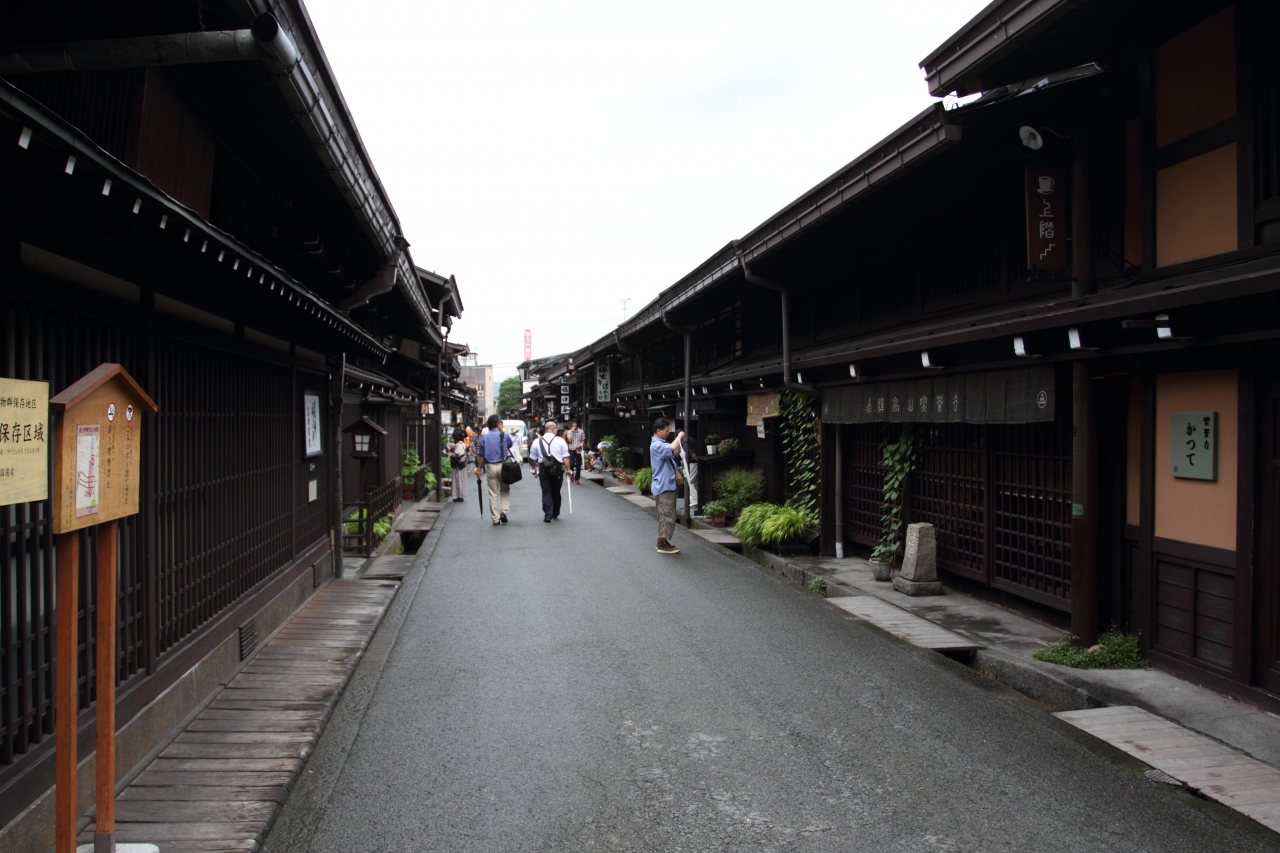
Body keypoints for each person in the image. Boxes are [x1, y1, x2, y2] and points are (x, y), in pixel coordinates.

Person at [650, 417, 684, 554]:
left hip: (666, 484)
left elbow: (674, 452)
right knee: (667, 515)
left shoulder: (660, 444)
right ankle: (661, 543)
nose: (668, 433)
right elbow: (673, 447)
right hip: (664, 485)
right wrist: (680, 435)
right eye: (666, 430)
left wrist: (679, 440)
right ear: (658, 431)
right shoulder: (656, 445)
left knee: (666, 514)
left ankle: (664, 541)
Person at [529, 420, 571, 522]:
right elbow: (565, 457)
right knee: (556, 491)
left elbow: (532, 458)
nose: (556, 430)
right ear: (553, 429)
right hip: (557, 468)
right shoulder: (560, 441)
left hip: (543, 468)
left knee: (546, 490)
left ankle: (548, 514)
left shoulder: (537, 441)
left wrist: (533, 469)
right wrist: (569, 470)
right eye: (556, 428)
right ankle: (555, 512)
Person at [474, 415, 513, 526]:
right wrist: (502, 431)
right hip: (503, 465)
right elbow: (510, 444)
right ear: (498, 424)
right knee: (505, 490)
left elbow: (481, 455)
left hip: (490, 466)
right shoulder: (504, 435)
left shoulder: (484, 438)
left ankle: (495, 518)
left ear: (488, 426)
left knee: (493, 493)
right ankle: (504, 512)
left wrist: (478, 469)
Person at [449, 428, 468, 502]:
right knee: (461, 480)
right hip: (462, 465)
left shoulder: (458, 445)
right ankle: (460, 495)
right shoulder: (462, 444)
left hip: (458, 466)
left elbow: (455, 455)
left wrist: (449, 451)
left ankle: (458, 496)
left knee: (458, 480)